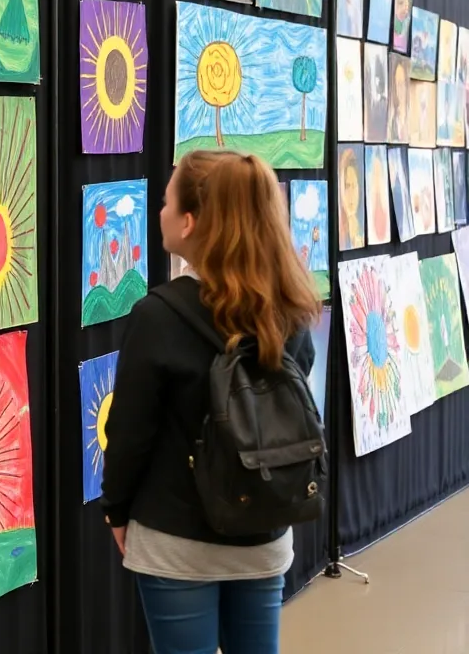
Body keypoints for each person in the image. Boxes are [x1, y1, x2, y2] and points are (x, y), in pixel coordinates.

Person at [101, 150, 319, 654]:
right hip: (265, 529)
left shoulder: (157, 317)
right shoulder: (288, 309)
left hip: (177, 540)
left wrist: (116, 511)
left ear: (191, 222)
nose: (160, 211)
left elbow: (129, 435)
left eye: (167, 201)